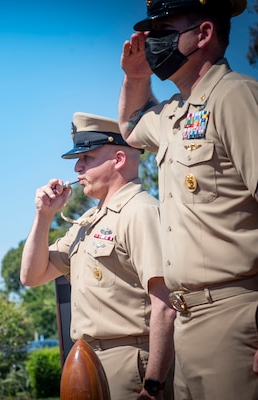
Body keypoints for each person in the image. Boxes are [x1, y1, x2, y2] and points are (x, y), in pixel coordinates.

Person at [118, 0, 258, 398]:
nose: (154, 42)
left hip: (236, 318)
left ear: (204, 33)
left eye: (164, 31)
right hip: (188, 322)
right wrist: (135, 76)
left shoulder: (235, 97)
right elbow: (129, 127)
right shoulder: (175, 113)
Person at [20, 112, 176, 400]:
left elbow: (165, 304)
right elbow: (31, 276)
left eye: (87, 158)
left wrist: (153, 385)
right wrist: (43, 216)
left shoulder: (140, 212)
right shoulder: (90, 220)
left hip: (130, 364)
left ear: (118, 159)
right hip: (88, 363)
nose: (78, 168)